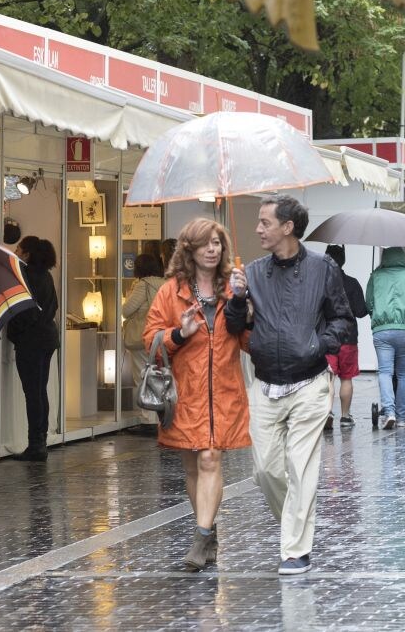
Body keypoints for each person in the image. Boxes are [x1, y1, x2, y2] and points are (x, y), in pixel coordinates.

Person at [226, 194, 352, 575]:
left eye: (265, 222)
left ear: (287, 227)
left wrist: (319, 345)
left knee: (301, 467)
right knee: (265, 470)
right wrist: (236, 299)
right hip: (265, 384)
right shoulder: (252, 272)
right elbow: (236, 329)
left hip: (310, 383)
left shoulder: (322, 267)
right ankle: (295, 523)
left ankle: (295, 550)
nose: (258, 228)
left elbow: (343, 321)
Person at [143, 219, 251, 571]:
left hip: (224, 392)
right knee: (192, 466)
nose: (212, 249)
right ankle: (210, 531)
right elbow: (151, 343)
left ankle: (200, 537)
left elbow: (251, 343)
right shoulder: (170, 292)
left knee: (209, 459)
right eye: (205, 243)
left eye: (217, 243)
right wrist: (179, 333)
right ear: (188, 249)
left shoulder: (233, 288)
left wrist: (244, 309)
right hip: (184, 395)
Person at [365, 247, 405, 429]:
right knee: (404, 373)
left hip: (383, 331)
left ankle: (389, 412)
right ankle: (401, 418)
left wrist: (377, 315)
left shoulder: (376, 276)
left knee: (385, 372)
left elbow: (369, 304)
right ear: (402, 258)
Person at [7, 236, 59, 461]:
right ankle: (40, 441)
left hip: (31, 341)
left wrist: (15, 333)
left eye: (18, 248)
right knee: (40, 390)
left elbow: (24, 311)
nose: (15, 251)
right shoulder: (46, 275)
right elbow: (53, 305)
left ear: (26, 253)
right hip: (47, 338)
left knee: (33, 393)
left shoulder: (24, 276)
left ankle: (35, 444)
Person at [323, 245, 368, 429]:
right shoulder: (352, 283)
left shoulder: (321, 283)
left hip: (327, 337)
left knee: (329, 378)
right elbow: (361, 311)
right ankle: (345, 416)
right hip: (348, 337)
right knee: (346, 378)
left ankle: (327, 413)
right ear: (343, 260)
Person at [121, 253, 165, 435]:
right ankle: (160, 418)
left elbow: (126, 309)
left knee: (143, 376)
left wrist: (129, 295)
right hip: (161, 335)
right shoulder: (165, 283)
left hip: (143, 336)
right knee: (158, 376)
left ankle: (148, 420)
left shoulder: (142, 285)